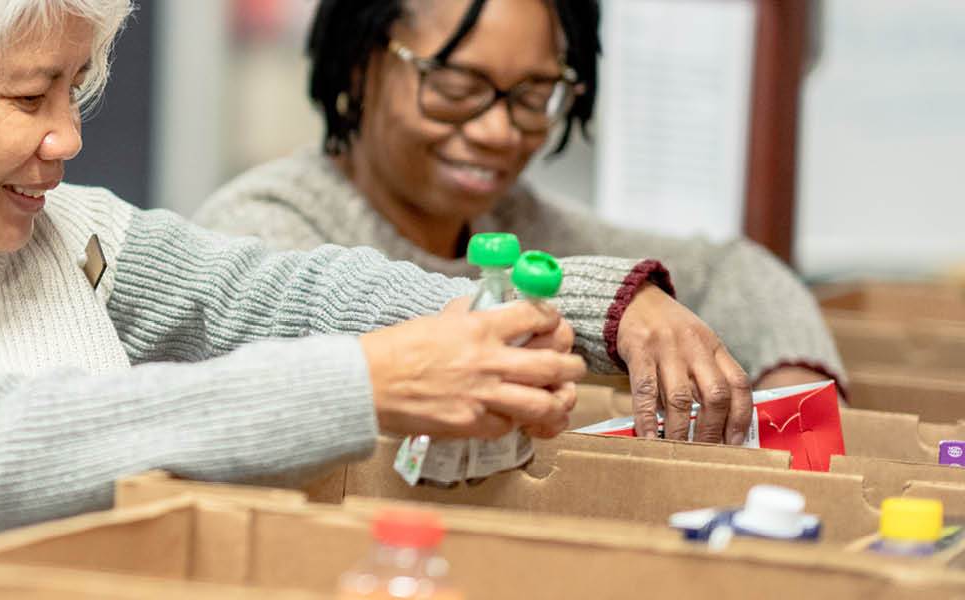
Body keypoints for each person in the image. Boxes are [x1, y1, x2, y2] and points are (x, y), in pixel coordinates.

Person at [0, 0, 750, 542]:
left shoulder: (54, 232)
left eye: (78, 89)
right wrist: (361, 385)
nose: (67, 137)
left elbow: (269, 293)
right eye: (30, 96)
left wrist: (586, 307)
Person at [193, 0, 842, 430]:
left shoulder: (517, 220)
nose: (499, 131)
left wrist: (794, 382)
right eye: (454, 87)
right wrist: (608, 304)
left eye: (533, 96)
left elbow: (733, 270)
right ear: (360, 67)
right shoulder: (261, 222)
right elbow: (363, 330)